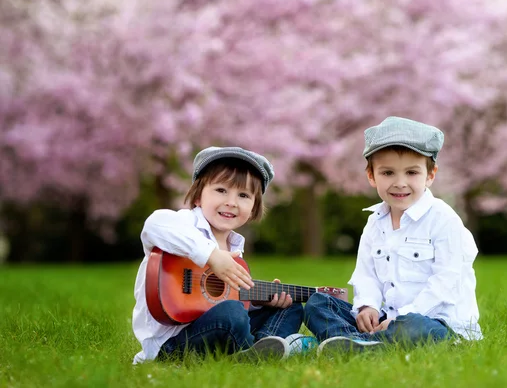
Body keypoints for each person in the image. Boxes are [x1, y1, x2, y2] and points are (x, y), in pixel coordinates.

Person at [304, 116, 483, 355]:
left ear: (430, 175)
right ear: (371, 175)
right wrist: (367, 306)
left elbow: (445, 284)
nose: (400, 183)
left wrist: (402, 317)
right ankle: (362, 344)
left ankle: (359, 344)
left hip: (436, 322)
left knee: (411, 328)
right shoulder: (374, 223)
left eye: (411, 172)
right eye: (388, 173)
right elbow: (367, 274)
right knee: (318, 303)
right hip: (388, 319)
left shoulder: (444, 220)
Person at [132, 146, 311, 364]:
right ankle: (253, 354)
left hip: (220, 328)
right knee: (232, 313)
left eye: (243, 195)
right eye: (221, 190)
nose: (232, 202)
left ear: (254, 207)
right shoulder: (185, 223)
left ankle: (260, 350)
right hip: (172, 346)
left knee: (290, 307)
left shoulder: (234, 248)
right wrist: (211, 256)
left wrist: (261, 303)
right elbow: (154, 224)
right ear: (198, 197)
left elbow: (220, 298)